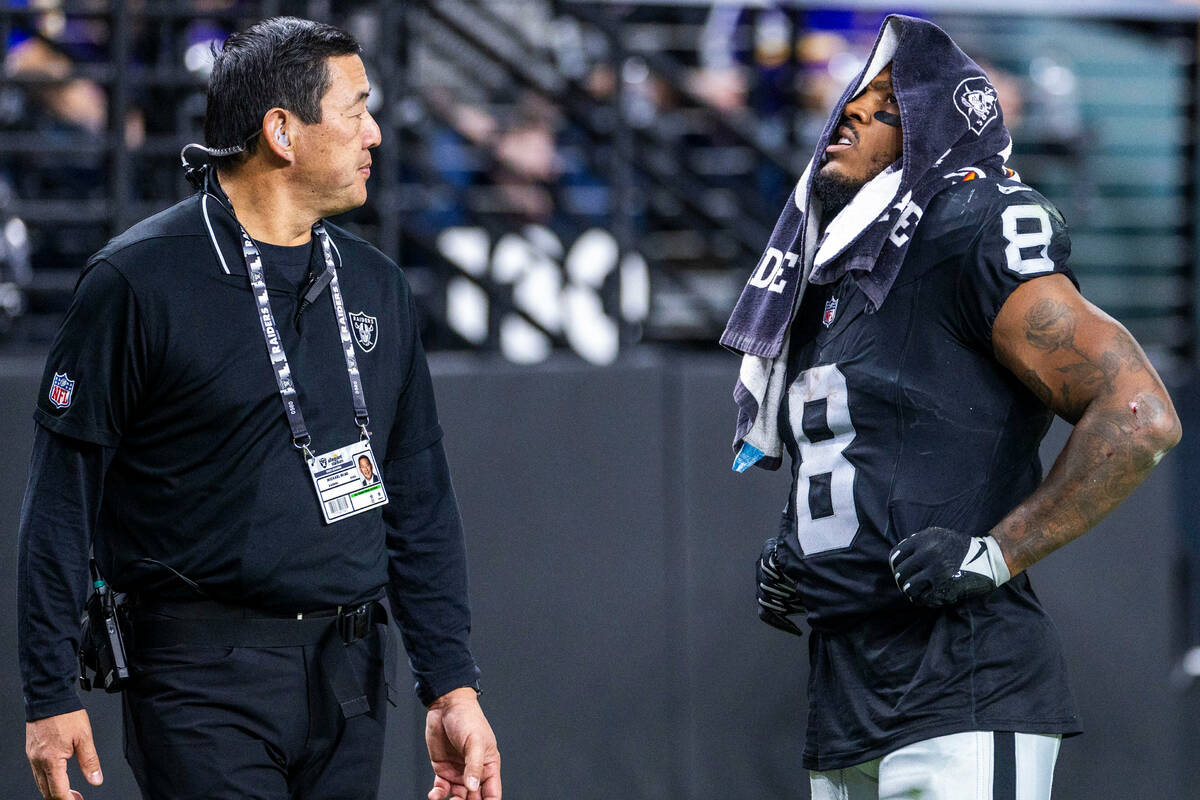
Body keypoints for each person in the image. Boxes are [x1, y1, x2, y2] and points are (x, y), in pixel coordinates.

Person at [18, 17, 501, 800]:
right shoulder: (138, 281)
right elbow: (59, 505)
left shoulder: (377, 285)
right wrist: (49, 694)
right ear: (282, 130)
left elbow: (418, 500)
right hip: (201, 680)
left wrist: (453, 687)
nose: (375, 131)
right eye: (355, 109)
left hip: (351, 675)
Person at [721, 15, 1179, 799]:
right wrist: (807, 553)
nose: (851, 119)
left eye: (886, 111)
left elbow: (1139, 415)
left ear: (933, 136)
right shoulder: (832, 271)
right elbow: (884, 447)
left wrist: (992, 554)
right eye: (852, 106)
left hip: (964, 685)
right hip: (843, 695)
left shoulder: (964, 224)